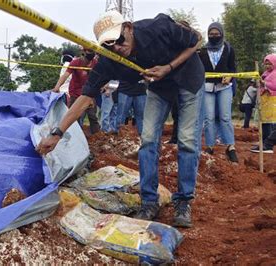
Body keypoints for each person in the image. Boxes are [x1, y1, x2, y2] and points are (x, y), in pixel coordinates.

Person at [38, 11, 205, 228]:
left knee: (187, 140)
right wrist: (56, 134)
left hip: (188, 79)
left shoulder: (158, 28)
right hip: (159, 88)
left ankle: (183, 202)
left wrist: (168, 67)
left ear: (128, 27)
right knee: (147, 141)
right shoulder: (109, 60)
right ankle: (148, 201)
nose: (116, 47)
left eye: (119, 39)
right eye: (108, 44)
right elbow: (84, 98)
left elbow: (196, 41)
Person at [199, 22, 238, 162]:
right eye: (211, 34)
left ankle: (230, 147)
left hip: (224, 87)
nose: (214, 36)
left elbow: (233, 68)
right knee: (208, 118)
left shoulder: (228, 49)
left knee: (225, 117)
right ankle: (210, 146)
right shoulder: (202, 51)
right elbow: (200, 70)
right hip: (208, 87)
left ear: (221, 34)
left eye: (216, 34)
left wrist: (230, 76)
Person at [52, 47, 100, 134]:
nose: (92, 53)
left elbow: (100, 76)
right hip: (75, 93)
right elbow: (65, 75)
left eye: (93, 51)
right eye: (89, 51)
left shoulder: (95, 63)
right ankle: (71, 135)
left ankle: (97, 136)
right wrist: (57, 87)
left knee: (92, 116)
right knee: (73, 116)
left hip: (89, 93)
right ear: (84, 52)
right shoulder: (75, 62)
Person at [250, 54, 276, 154]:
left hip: (273, 102)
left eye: (270, 64)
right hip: (265, 102)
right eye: (266, 64)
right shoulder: (265, 73)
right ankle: (265, 143)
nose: (267, 66)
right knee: (265, 122)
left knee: (272, 123)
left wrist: (264, 83)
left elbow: (274, 85)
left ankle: (268, 144)